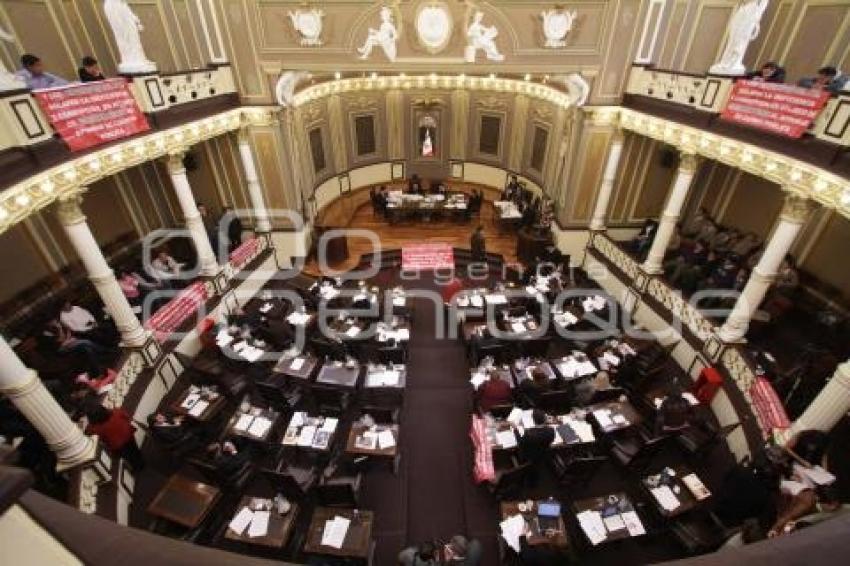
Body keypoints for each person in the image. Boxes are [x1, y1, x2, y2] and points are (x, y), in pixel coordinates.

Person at [84, 402, 144, 471]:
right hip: (128, 434)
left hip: (118, 445)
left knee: (128, 456)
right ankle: (141, 462)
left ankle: (137, 467)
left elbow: (89, 433)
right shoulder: (116, 412)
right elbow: (127, 417)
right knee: (134, 449)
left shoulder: (96, 428)